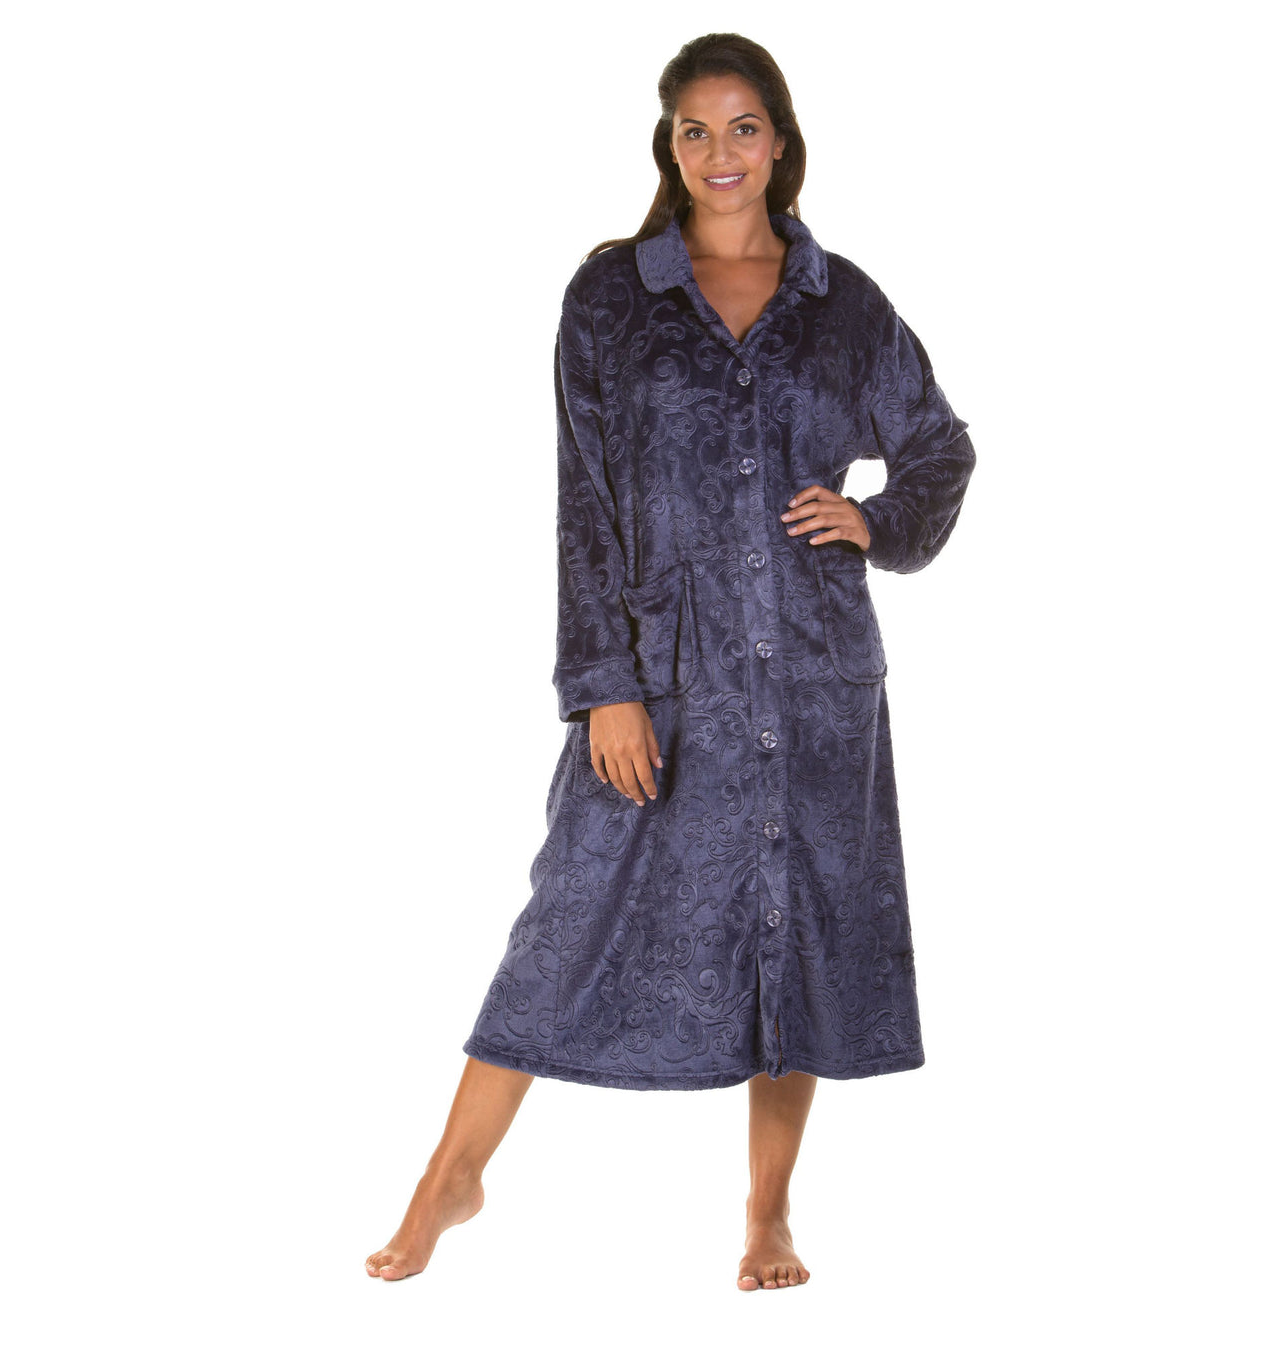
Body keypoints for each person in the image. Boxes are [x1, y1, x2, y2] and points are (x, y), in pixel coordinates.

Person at [365, 31, 976, 1291]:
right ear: (670, 144)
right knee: (568, 912)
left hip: (813, 675)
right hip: (665, 670)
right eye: (695, 130)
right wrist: (607, 687)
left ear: (781, 141)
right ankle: (449, 1178)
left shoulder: (845, 304)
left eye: (743, 126)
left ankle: (768, 1216)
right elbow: (584, 505)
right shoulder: (612, 297)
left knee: (790, 933)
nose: (719, 152)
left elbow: (939, 447)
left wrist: (875, 520)